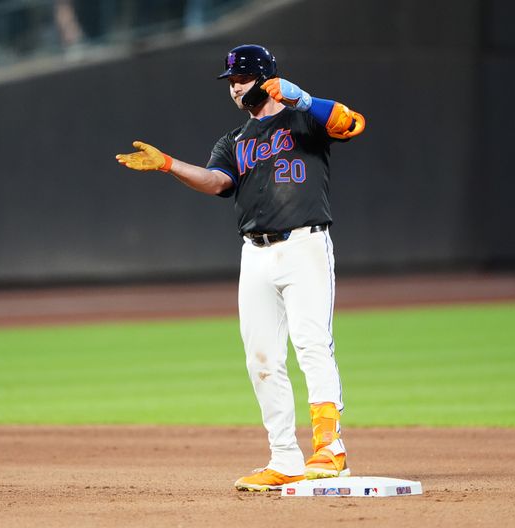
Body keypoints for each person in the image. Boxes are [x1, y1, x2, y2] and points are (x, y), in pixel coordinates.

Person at [116, 43, 365, 492]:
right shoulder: (234, 140)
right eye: (230, 82)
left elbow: (352, 124)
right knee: (262, 358)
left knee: (311, 344)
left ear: (265, 77)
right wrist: (170, 165)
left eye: (241, 79)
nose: (234, 89)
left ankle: (330, 448)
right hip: (255, 253)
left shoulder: (303, 118)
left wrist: (303, 99)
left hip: (305, 244)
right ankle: (285, 457)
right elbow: (217, 183)